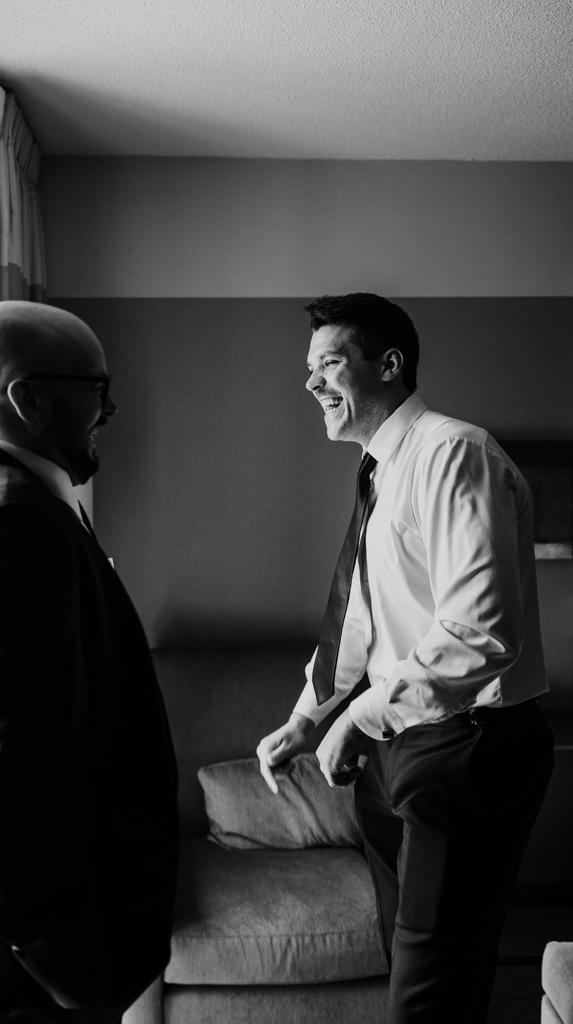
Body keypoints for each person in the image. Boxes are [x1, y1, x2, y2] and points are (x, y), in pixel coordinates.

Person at [256, 293, 554, 1024]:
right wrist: (309, 717)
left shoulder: (454, 453)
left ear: (388, 365)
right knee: (420, 963)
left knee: (429, 986)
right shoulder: (378, 470)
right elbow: (360, 620)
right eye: (307, 368)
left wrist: (358, 720)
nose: (311, 384)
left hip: (467, 751)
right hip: (394, 750)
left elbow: (479, 632)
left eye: (329, 363)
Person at [0, 301, 179, 1024]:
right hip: (24, 971)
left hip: (9, 949)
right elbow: (17, 780)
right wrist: (74, 977)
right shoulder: (15, 526)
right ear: (28, 399)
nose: (112, 408)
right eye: (96, 388)